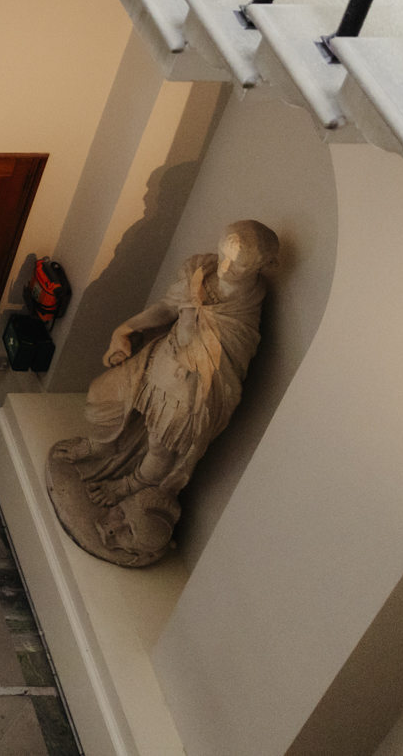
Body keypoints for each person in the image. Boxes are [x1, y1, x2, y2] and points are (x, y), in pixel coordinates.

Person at [48, 219, 280, 566]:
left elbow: (227, 372)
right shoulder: (200, 270)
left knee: (161, 450)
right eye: (223, 254)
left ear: (264, 267)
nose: (226, 266)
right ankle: (102, 446)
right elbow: (167, 309)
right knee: (101, 397)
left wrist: (196, 404)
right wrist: (125, 329)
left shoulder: (242, 314)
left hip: (189, 393)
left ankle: (125, 487)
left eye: (239, 263)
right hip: (158, 361)